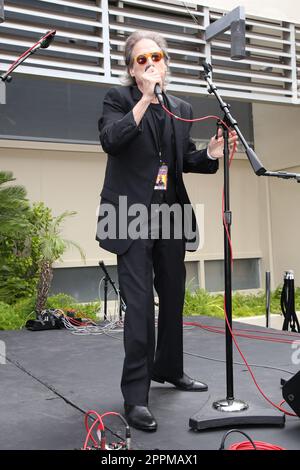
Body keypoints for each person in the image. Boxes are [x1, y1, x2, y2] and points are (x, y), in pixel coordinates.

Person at [96, 30, 238, 432]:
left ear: (166, 62)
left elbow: (182, 161)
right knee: (140, 309)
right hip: (128, 216)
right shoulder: (118, 100)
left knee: (173, 295)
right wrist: (144, 98)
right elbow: (111, 139)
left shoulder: (181, 107)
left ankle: (170, 369)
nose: (150, 64)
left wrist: (209, 153)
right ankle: (135, 397)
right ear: (130, 68)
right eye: (140, 59)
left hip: (169, 216)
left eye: (155, 57)